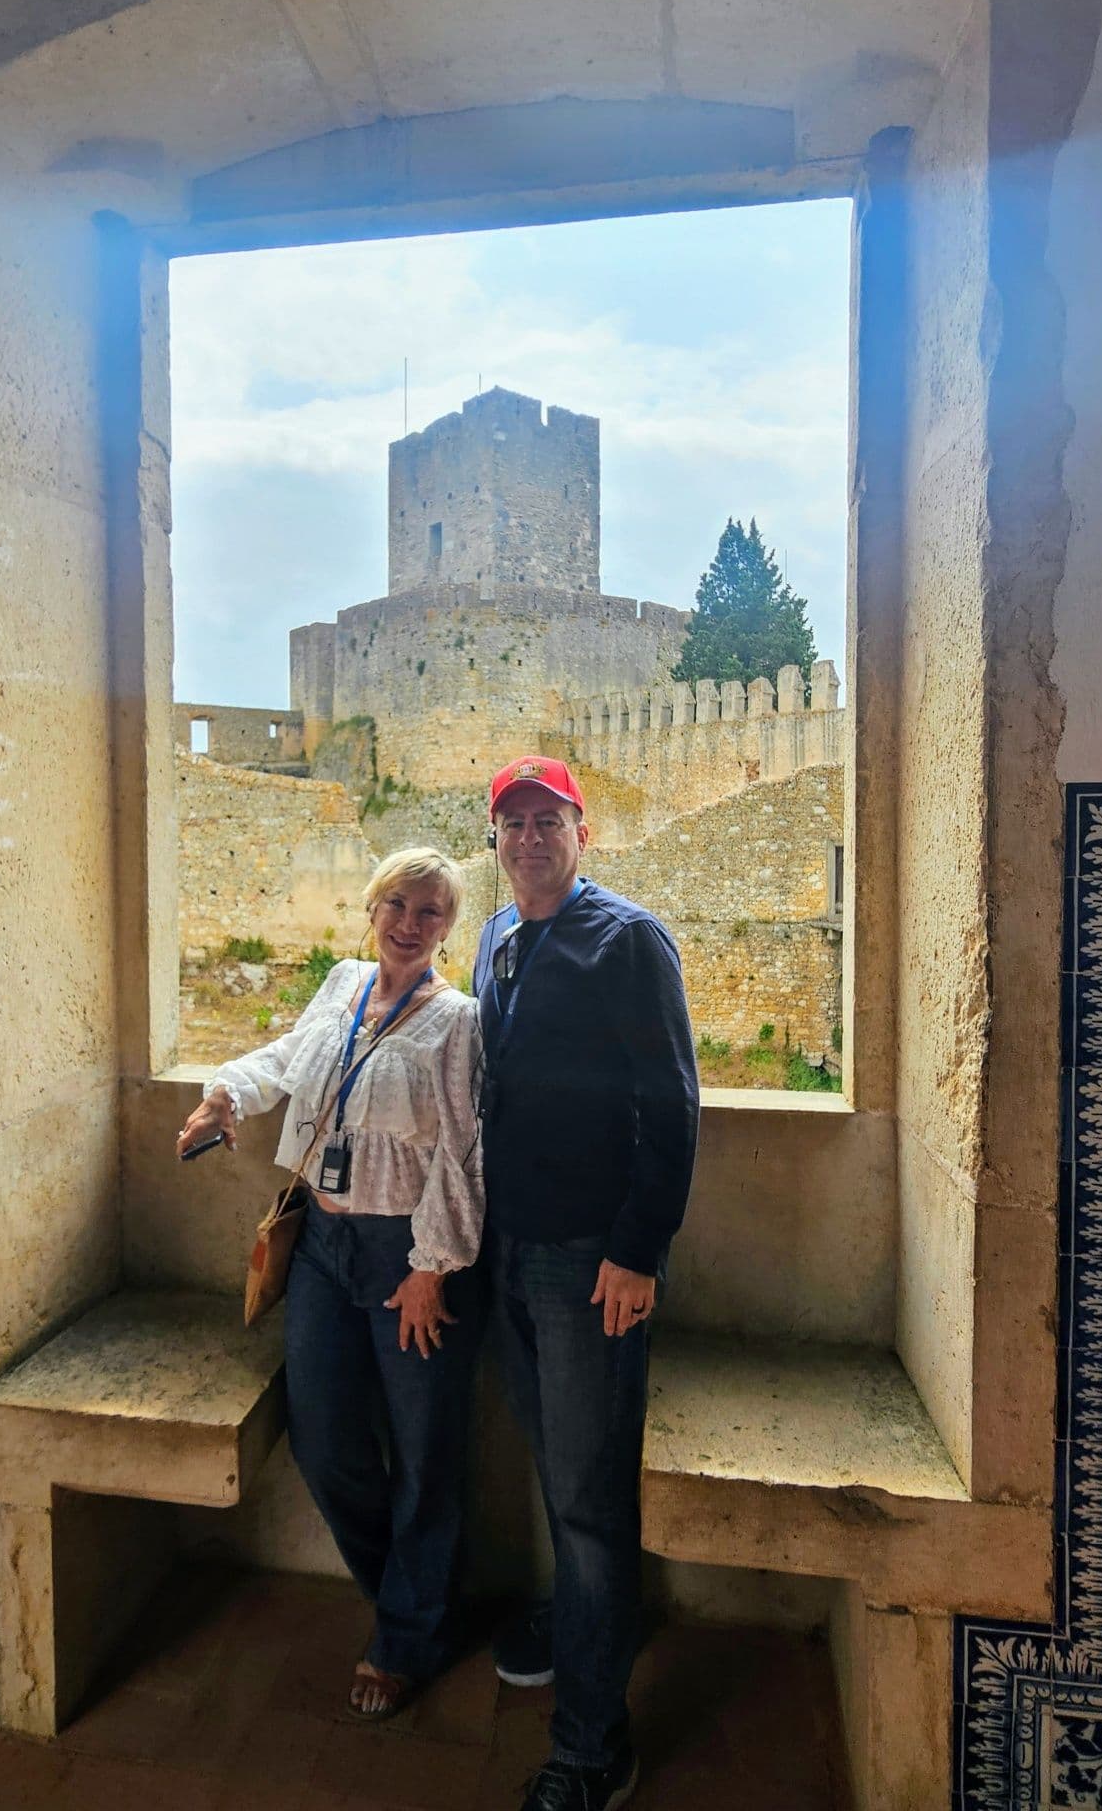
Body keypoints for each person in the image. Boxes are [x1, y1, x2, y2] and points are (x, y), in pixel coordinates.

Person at [176, 846, 484, 1721]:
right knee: (320, 1436)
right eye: (397, 901)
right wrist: (227, 1095)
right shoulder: (343, 984)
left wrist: (432, 1268)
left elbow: (465, 1151)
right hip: (320, 1245)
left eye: (430, 910)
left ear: (448, 928)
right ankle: (413, 1598)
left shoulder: (456, 1019)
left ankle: (405, 1639)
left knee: (426, 1450)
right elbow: (286, 1059)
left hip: (406, 1256)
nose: (408, 921)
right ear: (371, 905)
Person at [473, 757, 699, 1811]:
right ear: (495, 839)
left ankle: (592, 1747)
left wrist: (639, 1248)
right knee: (564, 1472)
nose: (529, 834)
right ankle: (592, 1622)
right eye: (512, 820)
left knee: (590, 1493)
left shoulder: (629, 938)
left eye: (546, 817)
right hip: (508, 1250)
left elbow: (672, 1101)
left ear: (583, 828)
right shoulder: (498, 936)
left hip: (589, 1264)